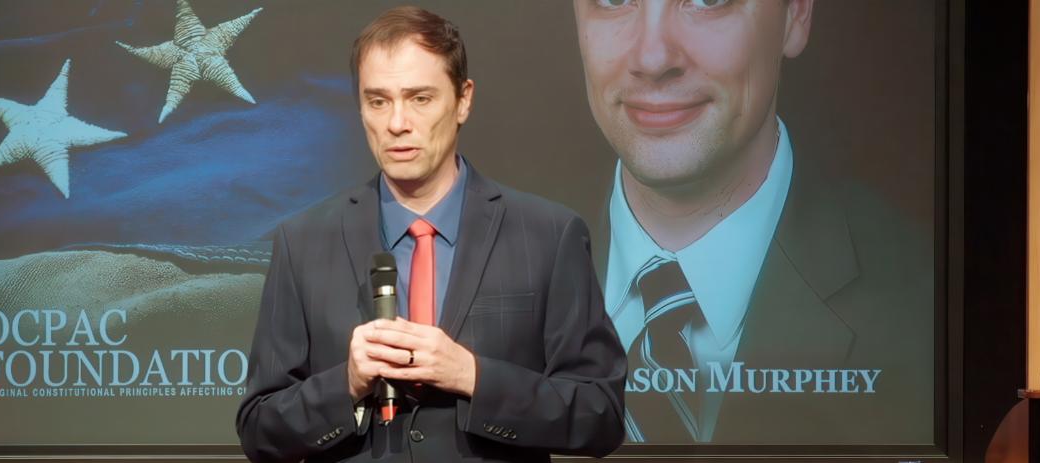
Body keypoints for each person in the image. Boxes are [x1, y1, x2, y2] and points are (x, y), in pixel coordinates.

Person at [236, 6, 626, 462]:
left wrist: (473, 376)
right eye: (378, 101)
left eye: (420, 98)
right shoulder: (303, 242)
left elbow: (600, 416)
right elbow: (259, 430)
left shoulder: (548, 236)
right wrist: (347, 383)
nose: (397, 123)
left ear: (463, 100)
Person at [574, 0, 929, 444]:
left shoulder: (930, 313)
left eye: (707, 1)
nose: (653, 58)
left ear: (796, 14)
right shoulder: (502, 276)